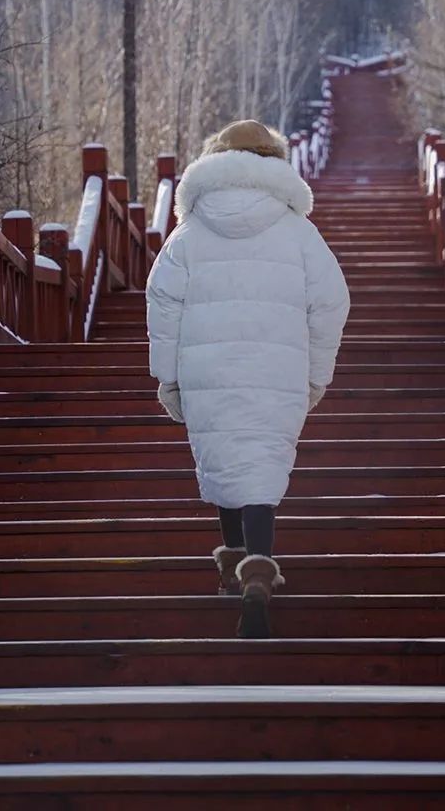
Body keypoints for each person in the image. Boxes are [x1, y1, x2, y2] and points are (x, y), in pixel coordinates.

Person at [145, 118, 350, 638]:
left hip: (205, 369)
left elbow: (162, 300)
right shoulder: (298, 231)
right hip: (277, 369)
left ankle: (233, 565)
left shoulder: (189, 232)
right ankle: (257, 571)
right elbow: (332, 300)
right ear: (273, 161)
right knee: (260, 464)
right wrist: (316, 374)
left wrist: (167, 376)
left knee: (225, 458)